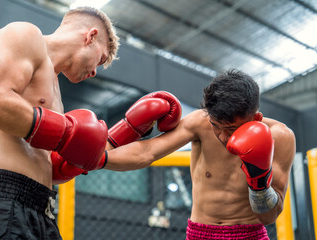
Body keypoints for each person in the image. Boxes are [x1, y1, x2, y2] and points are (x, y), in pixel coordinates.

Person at [0, 7, 120, 240]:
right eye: (100, 58)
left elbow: (38, 156)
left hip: (42, 212)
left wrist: (70, 161)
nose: (94, 71)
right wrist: (65, 133)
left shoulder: (55, 91)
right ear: (90, 36)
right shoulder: (24, 35)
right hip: (0, 202)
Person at [105, 69, 296, 240]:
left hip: (249, 234)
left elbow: (268, 217)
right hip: (200, 233)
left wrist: (259, 182)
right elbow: (148, 152)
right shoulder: (200, 122)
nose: (222, 136)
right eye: (216, 126)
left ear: (256, 119)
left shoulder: (280, 137)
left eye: (231, 129)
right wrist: (98, 159)